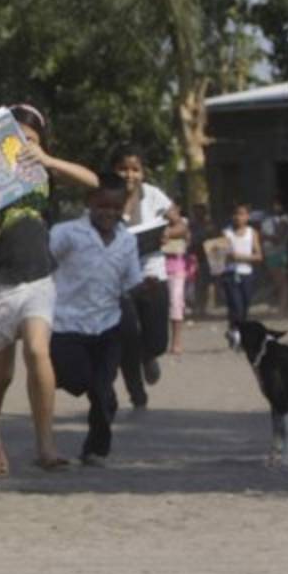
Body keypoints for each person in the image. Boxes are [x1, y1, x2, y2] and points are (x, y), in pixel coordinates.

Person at [0, 104, 98, 477]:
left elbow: (91, 182)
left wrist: (46, 159)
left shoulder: (44, 171)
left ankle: (46, 445)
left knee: (39, 350)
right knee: (1, 375)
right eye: (18, 138)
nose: (24, 145)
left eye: (32, 139)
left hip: (38, 279)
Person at [49, 173, 143, 467]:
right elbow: (43, 260)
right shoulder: (66, 233)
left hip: (107, 325)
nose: (109, 213)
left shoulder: (127, 242)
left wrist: (147, 289)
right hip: (67, 324)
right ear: (89, 203)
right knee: (76, 379)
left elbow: (132, 282)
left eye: (116, 208)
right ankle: (68, 382)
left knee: (103, 394)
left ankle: (96, 449)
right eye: (102, 206)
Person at [111, 146, 185, 410]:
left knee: (156, 339)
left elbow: (180, 225)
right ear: (114, 171)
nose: (129, 175)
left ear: (142, 172)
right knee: (127, 336)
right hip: (120, 280)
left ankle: (149, 356)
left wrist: (169, 234)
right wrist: (127, 202)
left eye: (135, 169)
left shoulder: (154, 195)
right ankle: (136, 393)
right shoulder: (107, 197)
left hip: (152, 272)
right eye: (123, 169)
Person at [222, 203, 263, 335]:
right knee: (236, 305)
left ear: (247, 216)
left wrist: (240, 257)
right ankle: (235, 331)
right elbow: (220, 255)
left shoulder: (252, 233)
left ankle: (238, 330)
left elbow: (258, 256)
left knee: (245, 306)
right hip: (230, 273)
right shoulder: (226, 232)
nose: (238, 217)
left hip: (247, 274)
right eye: (235, 214)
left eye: (241, 214)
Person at [162, 203, 190, 355]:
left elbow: (184, 234)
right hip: (159, 268)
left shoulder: (183, 224)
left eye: (172, 209)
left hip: (177, 269)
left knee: (176, 303)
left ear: (178, 210)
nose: (169, 212)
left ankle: (176, 341)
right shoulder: (159, 224)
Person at [260, 197, 288, 317]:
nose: (275, 207)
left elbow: (278, 238)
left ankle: (282, 309)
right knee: (277, 282)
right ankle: (281, 307)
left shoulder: (285, 219)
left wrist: (265, 236)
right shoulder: (266, 220)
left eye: (278, 205)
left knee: (283, 282)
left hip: (279, 253)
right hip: (269, 253)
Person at [188, 202, 217, 318]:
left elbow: (215, 241)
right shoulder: (191, 226)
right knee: (195, 284)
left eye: (201, 210)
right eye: (196, 211)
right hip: (194, 258)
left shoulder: (210, 226)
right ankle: (196, 307)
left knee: (206, 284)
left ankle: (204, 308)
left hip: (208, 258)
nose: (198, 213)